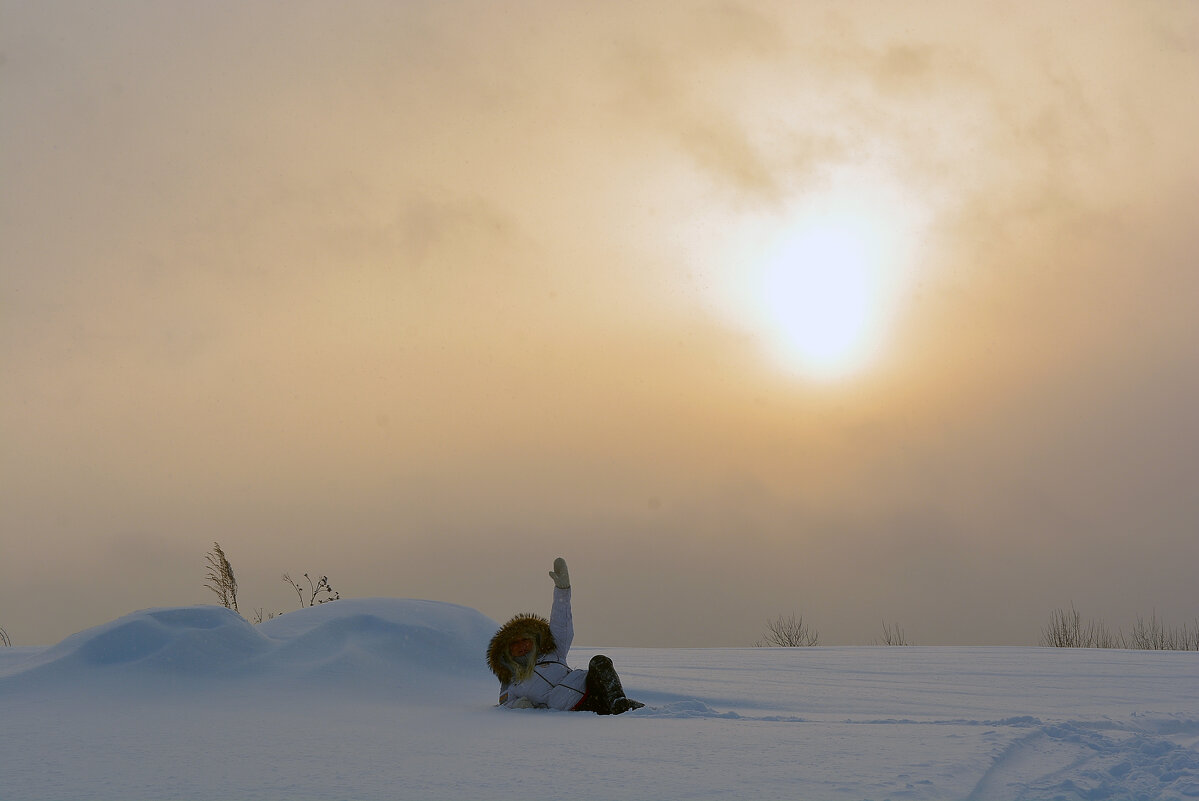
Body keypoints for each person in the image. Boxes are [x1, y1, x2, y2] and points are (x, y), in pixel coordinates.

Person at [486, 557, 644, 714]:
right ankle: (623, 708)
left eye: (525, 640)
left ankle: (618, 702)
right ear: (507, 650)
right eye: (515, 643)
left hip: (591, 687)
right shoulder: (511, 680)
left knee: (600, 661)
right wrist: (519, 705)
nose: (522, 646)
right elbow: (505, 703)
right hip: (574, 707)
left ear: (534, 641)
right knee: (624, 709)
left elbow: (561, 623)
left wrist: (562, 590)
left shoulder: (553, 651)